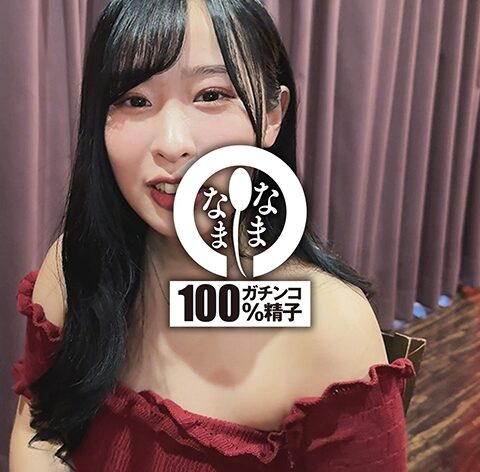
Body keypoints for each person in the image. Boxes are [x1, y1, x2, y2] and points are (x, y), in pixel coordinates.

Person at [9, 0, 416, 470]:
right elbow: (39, 428)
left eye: (211, 95)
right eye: (135, 100)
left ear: (273, 114)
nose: (172, 144)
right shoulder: (77, 266)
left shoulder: (329, 322)